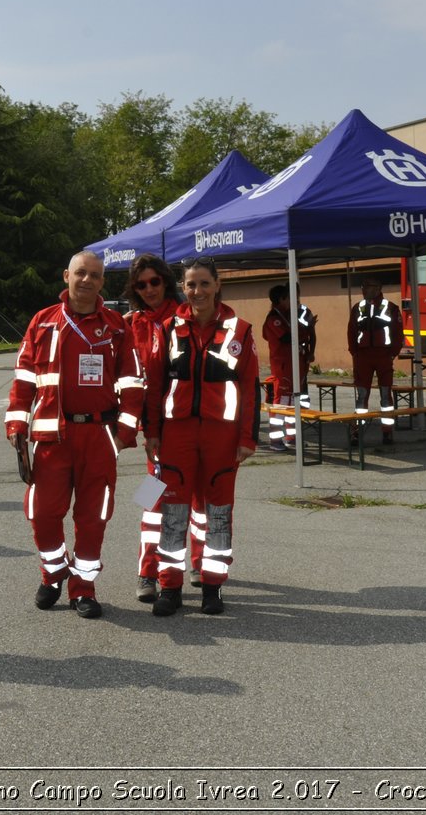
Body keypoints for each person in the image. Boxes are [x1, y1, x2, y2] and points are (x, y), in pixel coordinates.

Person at [4, 250, 145, 620]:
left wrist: (125, 431)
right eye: (81, 273)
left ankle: (84, 587)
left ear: (103, 282)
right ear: (66, 276)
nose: (87, 281)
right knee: (42, 513)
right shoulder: (43, 322)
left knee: (93, 517)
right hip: (52, 436)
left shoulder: (116, 326)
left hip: (99, 436)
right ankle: (53, 573)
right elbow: (23, 379)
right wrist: (17, 424)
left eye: (95, 275)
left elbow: (132, 383)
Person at [145, 256, 260, 617]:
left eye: (204, 284)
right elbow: (154, 385)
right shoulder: (168, 328)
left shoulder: (240, 330)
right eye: (191, 284)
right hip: (176, 433)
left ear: (217, 284)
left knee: (218, 513)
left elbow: (251, 389)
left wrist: (247, 438)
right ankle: (169, 586)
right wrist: (152, 433)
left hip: (222, 436)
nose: (197, 291)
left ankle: (213, 586)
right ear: (183, 287)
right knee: (171, 512)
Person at [122, 253, 188, 604]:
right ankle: (147, 572)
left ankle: (203, 569)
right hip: (155, 430)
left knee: (194, 502)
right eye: (141, 284)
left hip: (189, 425)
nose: (148, 289)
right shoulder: (131, 323)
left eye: (154, 281)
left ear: (166, 281)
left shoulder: (185, 319)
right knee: (152, 500)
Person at [347, 275, 403, 446]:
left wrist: (393, 353)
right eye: (362, 286)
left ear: (378, 288)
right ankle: (358, 432)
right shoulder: (358, 307)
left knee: (386, 396)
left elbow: (398, 333)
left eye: (367, 286)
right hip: (363, 356)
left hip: (383, 355)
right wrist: (354, 352)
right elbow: (351, 331)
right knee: (362, 396)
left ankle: (387, 432)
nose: (363, 289)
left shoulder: (391, 308)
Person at [262, 283, 316, 452]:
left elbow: (301, 334)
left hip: (295, 363)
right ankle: (276, 439)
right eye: (289, 297)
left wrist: (307, 329)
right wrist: (307, 329)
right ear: (281, 299)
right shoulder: (274, 318)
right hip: (283, 365)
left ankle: (291, 437)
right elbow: (287, 338)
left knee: (293, 401)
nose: (293, 300)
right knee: (281, 402)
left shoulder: (287, 315)